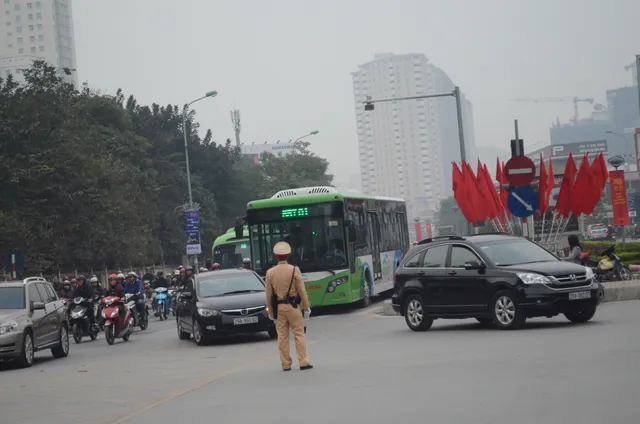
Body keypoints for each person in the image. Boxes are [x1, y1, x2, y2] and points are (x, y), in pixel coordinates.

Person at [265, 241, 312, 372]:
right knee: (299, 333)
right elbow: (301, 290)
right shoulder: (294, 270)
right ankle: (303, 362)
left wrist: (270, 310)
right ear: (288, 255)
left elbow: (269, 294)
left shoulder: (270, 273)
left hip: (279, 309)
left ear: (276, 256)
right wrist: (306, 306)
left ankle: (285, 364)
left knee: (282, 336)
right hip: (294, 307)